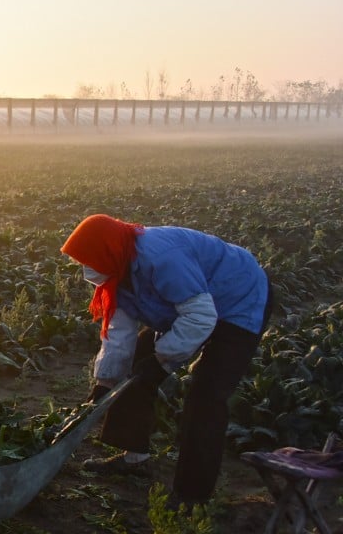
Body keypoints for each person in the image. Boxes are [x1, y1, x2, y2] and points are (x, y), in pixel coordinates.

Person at [61, 214, 274, 509]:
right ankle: (135, 459)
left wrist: (161, 362)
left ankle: (191, 496)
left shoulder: (160, 257)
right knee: (136, 366)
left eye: (88, 259)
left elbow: (201, 317)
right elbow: (119, 335)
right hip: (188, 308)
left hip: (240, 299)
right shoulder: (116, 269)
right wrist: (105, 383)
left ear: (106, 249)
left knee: (206, 395)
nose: (86, 268)